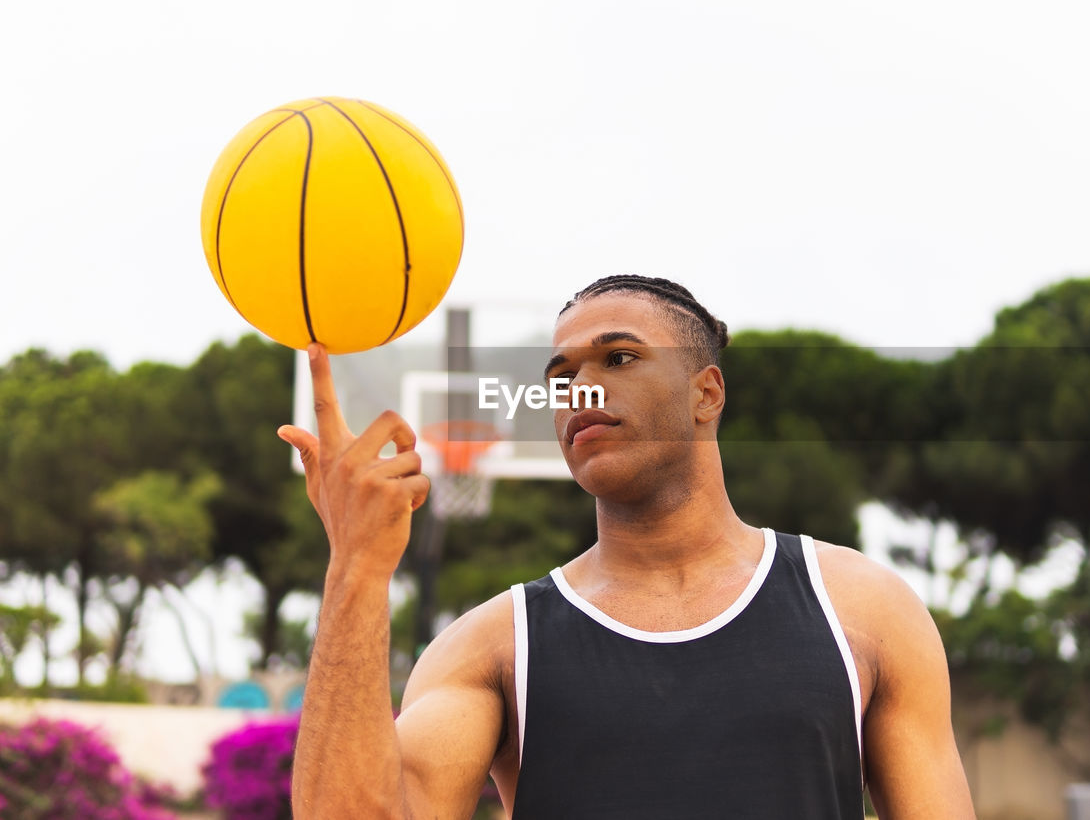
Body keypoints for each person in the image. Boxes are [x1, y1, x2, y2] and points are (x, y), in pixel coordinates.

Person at [280, 275, 976, 819]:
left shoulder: (861, 609)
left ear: (707, 392)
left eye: (618, 356)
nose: (580, 386)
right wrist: (357, 567)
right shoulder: (495, 646)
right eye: (560, 375)